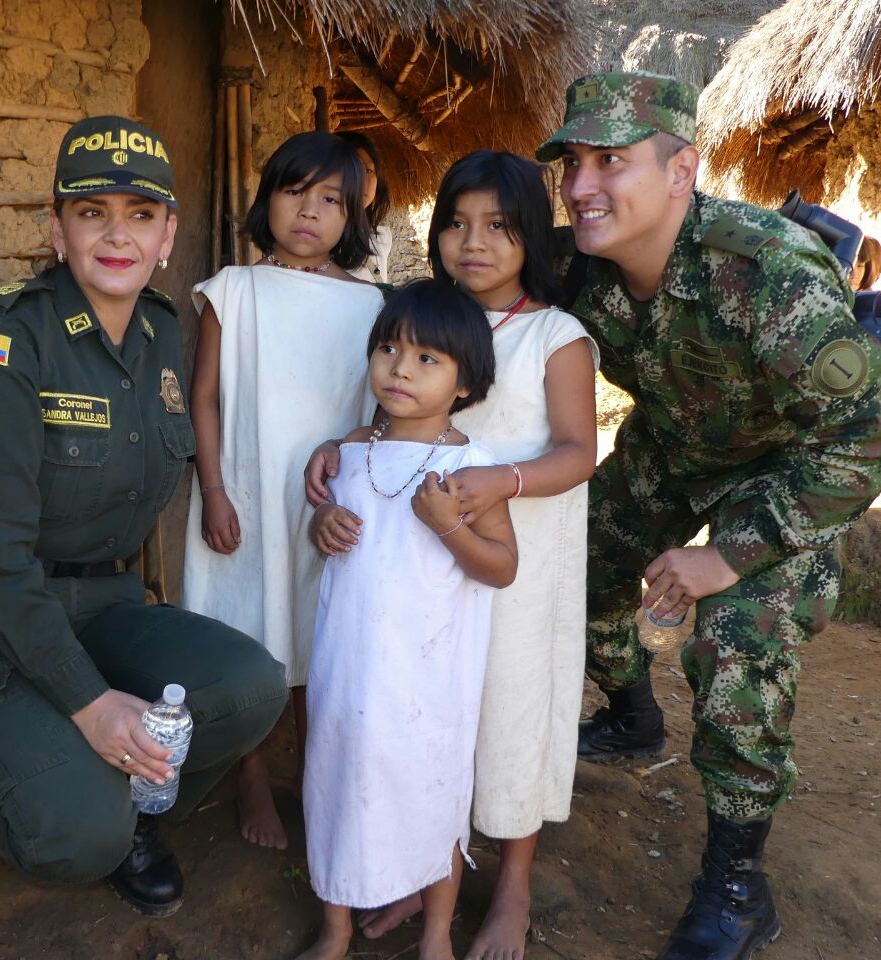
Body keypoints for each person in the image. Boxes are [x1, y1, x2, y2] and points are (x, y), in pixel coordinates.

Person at [536, 72, 881, 959]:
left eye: (611, 161)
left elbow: (865, 438)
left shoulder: (769, 271)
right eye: (571, 164)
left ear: (681, 170)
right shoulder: (579, 266)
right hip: (673, 454)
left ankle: (738, 888)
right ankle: (631, 714)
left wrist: (728, 555)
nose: (582, 186)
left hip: (788, 472)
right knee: (564, 570)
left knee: (734, 643)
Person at [0, 115, 288, 917]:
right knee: (77, 839)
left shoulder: (159, 333)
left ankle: (135, 809)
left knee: (252, 688)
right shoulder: (4, 347)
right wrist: (92, 704)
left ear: (168, 234)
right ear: (57, 231)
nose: (118, 235)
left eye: (140, 215)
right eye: (92, 213)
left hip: (99, 603)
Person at [305, 152, 599, 960]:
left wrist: (495, 479)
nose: (473, 244)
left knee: (504, 721)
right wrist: (335, 449)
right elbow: (385, 429)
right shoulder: (425, 325)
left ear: (531, 237)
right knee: (418, 726)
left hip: (511, 549)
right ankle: (404, 866)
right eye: (456, 224)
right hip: (415, 569)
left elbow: (579, 451)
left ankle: (511, 888)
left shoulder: (554, 333)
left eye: (498, 227)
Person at [299, 278, 518, 960]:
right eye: (389, 349)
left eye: (428, 359)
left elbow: (503, 566)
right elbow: (328, 534)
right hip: (349, 669)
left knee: (433, 797)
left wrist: (450, 527)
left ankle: (435, 938)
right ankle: (334, 931)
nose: (400, 368)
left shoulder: (469, 467)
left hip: (430, 678)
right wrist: (321, 524)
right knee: (335, 783)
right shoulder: (350, 452)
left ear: (464, 382)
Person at [182, 131, 384, 851]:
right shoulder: (232, 289)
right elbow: (203, 397)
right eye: (295, 193)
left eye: (332, 200)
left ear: (353, 218)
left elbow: (379, 413)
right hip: (244, 494)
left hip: (327, 505)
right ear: (265, 199)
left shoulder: (369, 308)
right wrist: (213, 490)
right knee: (247, 633)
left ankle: (316, 774)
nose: (310, 212)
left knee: (317, 636)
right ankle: (252, 778)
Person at [337, 131, 395, 282]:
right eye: (352, 169)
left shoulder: (380, 239)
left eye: (368, 170)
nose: (362, 180)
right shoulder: (312, 238)